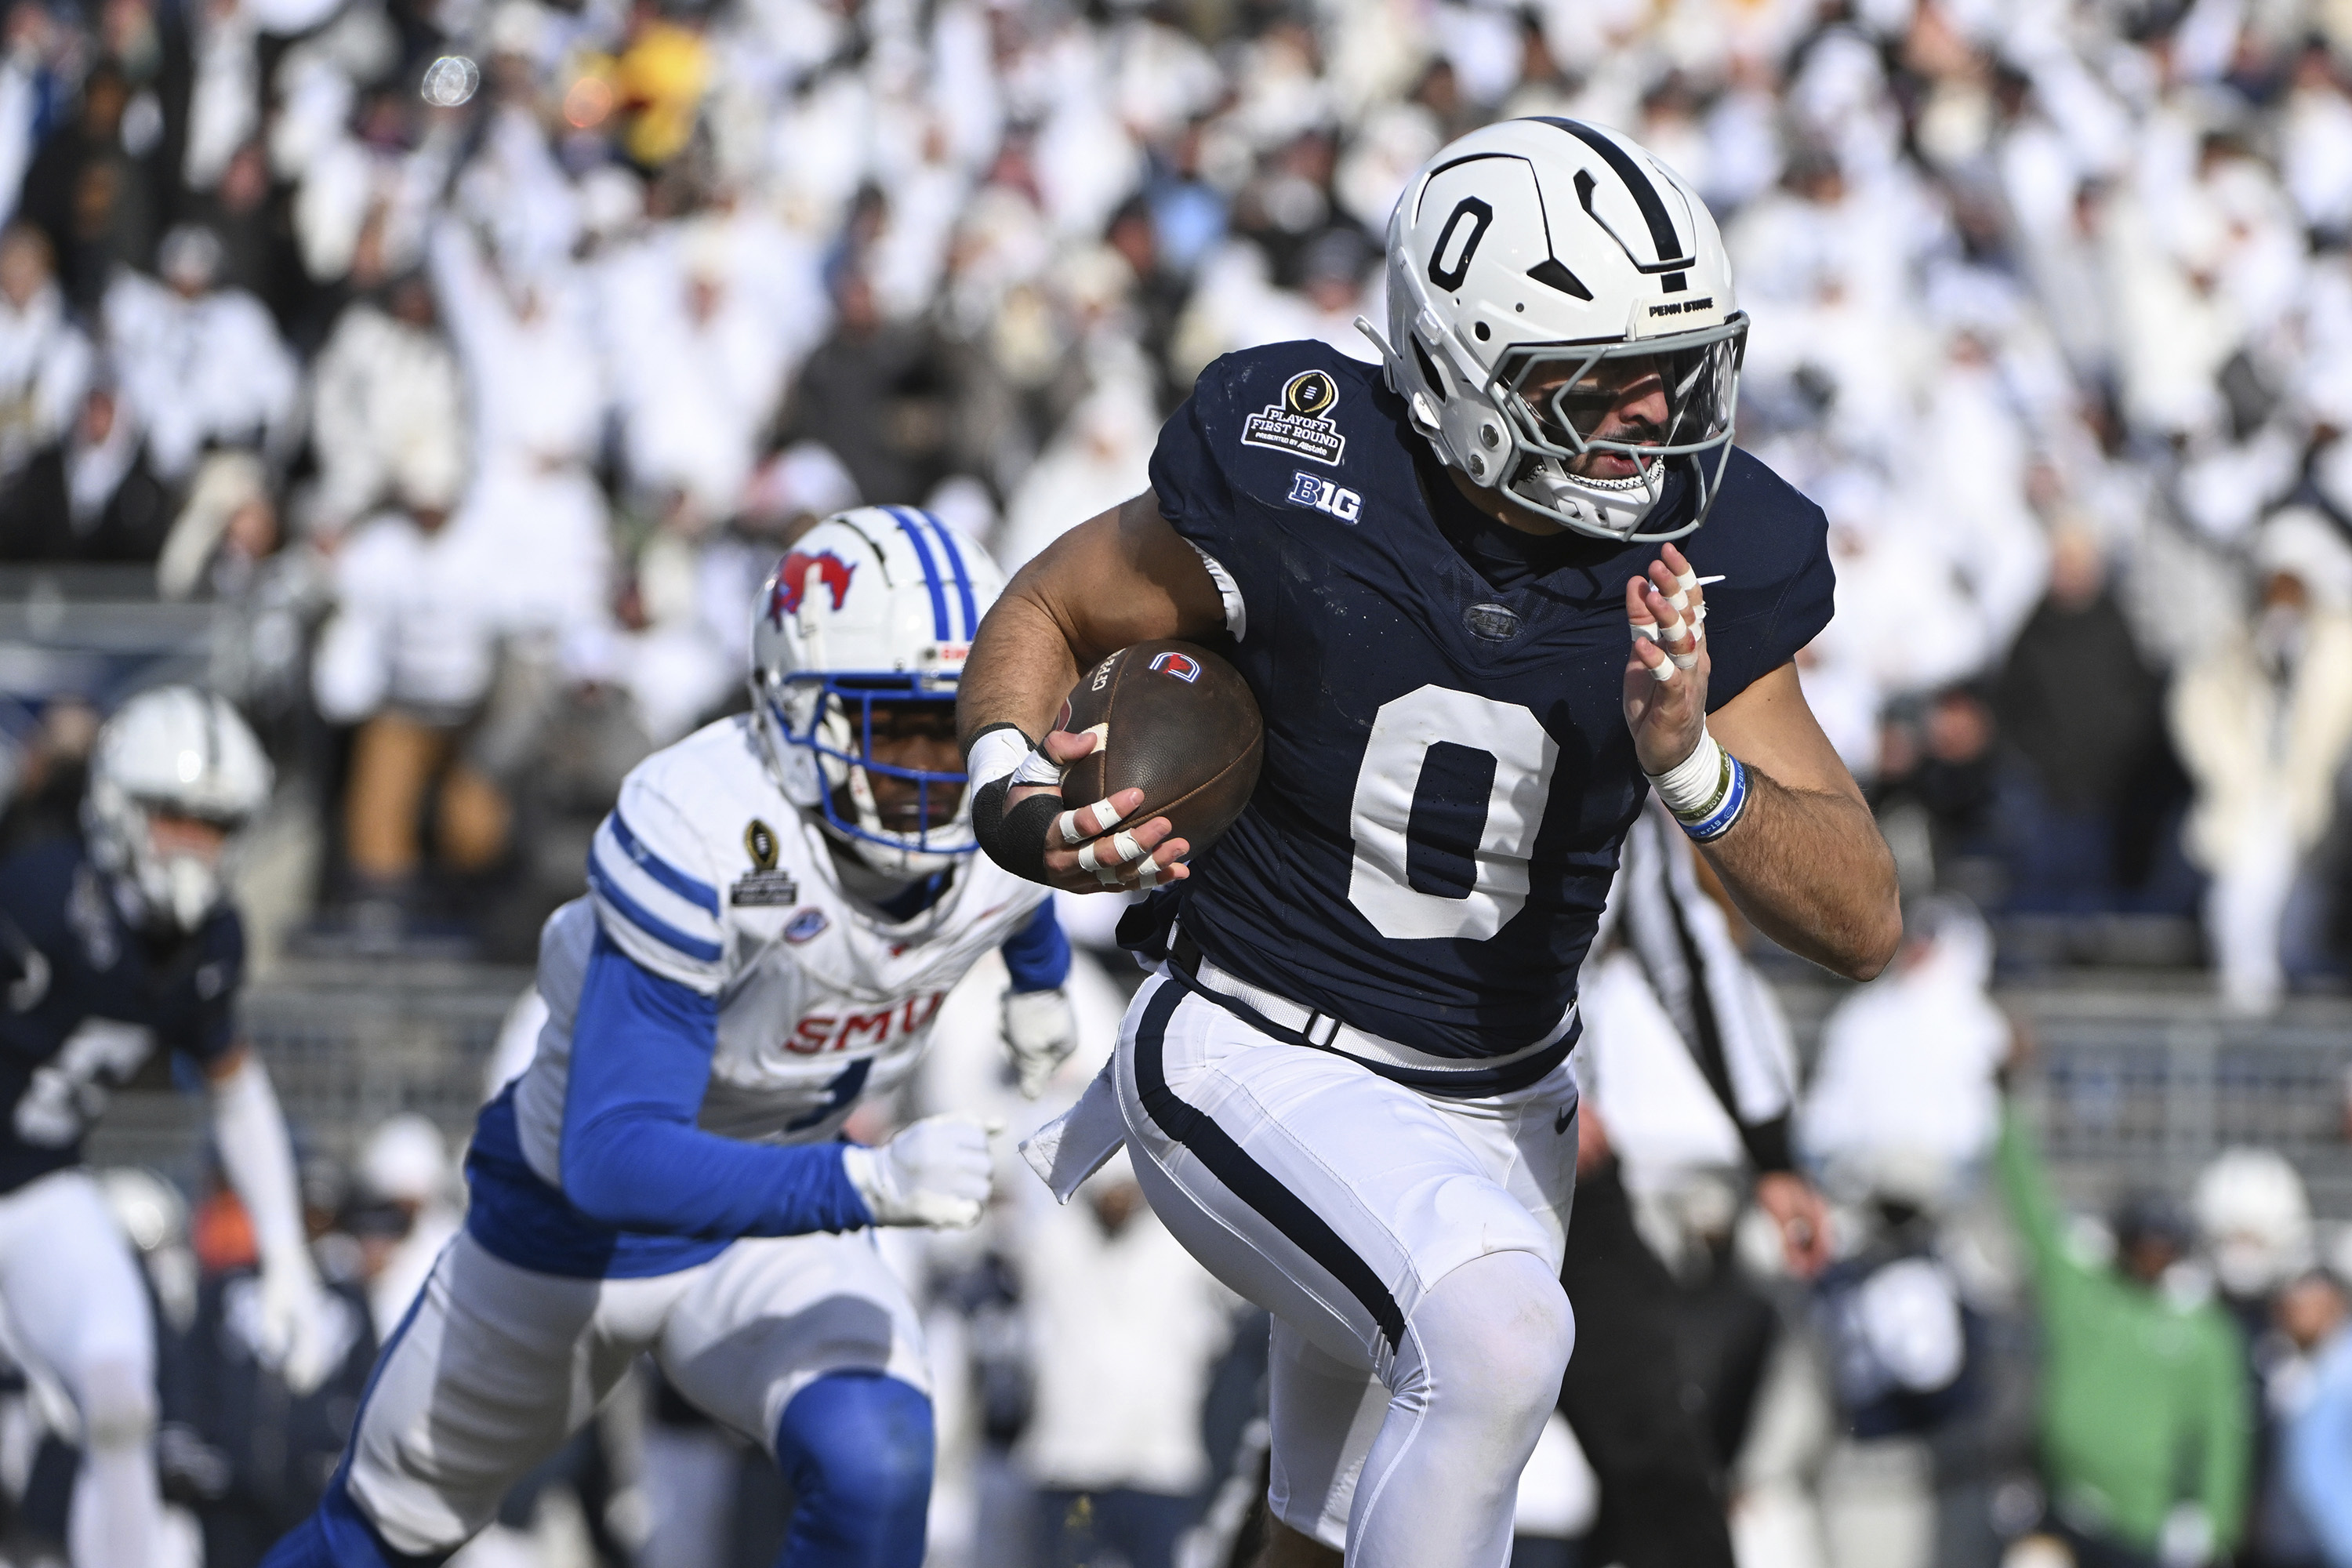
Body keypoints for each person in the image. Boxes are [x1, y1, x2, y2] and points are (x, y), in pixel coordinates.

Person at [960, 118, 1900, 1568]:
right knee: (1502, 1341)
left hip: (1506, 1109)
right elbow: (1050, 610)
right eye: (1604, 380)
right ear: (1467, 376)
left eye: (1680, 367)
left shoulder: (1702, 550)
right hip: (1252, 1047)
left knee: (1316, 1536)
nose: (1658, 414)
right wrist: (1010, 789)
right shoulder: (1300, 457)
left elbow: (1861, 917)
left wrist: (1693, 763)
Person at [264, 506, 1086, 1568]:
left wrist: (1042, 988)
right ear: (800, 713)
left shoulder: (995, 816)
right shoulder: (705, 826)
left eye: (960, 723)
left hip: (767, 1217)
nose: (939, 769)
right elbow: (615, 1159)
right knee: (369, 1541)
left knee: (879, 1463)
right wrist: (871, 1189)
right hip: (569, 1233)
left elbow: (1018, 896)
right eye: (901, 728)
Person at [0, 685, 335, 1568]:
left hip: (36, 1185)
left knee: (121, 1396)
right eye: (174, 817)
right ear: (118, 804)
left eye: (215, 825)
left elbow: (235, 1086)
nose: (194, 845)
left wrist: (288, 1258)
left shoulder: (211, 939)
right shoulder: (38, 892)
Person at [1995, 1107, 2250, 1568]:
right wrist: (2007, 1108)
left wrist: (2214, 1526)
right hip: (2061, 1509)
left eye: (2164, 1244)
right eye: (2143, 1240)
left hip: (2141, 1528)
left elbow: (2222, 1435)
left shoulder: (2202, 1331)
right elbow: (2032, 1212)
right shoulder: (2084, 1294)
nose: (2153, 1254)